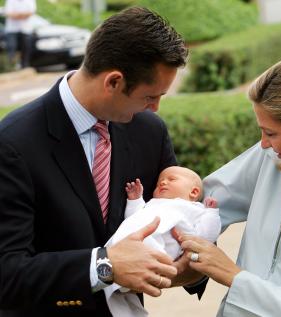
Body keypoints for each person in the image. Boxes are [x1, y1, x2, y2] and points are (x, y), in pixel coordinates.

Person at [0, 6, 202, 317]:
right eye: (150, 97)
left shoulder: (150, 132)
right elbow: (8, 274)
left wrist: (193, 265)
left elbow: (175, 218)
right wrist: (104, 266)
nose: (155, 108)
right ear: (113, 82)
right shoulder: (13, 143)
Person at [177, 57, 281, 316]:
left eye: (271, 133)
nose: (264, 144)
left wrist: (233, 277)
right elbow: (202, 203)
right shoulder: (270, 157)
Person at [104, 166, 221, 317]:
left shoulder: (194, 209)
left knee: (120, 291)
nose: (163, 182)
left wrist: (211, 214)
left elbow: (205, 237)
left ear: (193, 192)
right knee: (117, 299)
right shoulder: (153, 204)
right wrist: (136, 200)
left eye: (171, 179)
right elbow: (136, 218)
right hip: (124, 244)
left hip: (157, 248)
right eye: (160, 181)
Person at [4, 0, 36, 68]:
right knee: (11, 46)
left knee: (26, 47)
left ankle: (24, 65)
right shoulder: (10, 1)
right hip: (11, 29)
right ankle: (11, 65)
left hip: (26, 29)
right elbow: (9, 14)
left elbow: (30, 13)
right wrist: (22, 15)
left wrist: (16, 15)